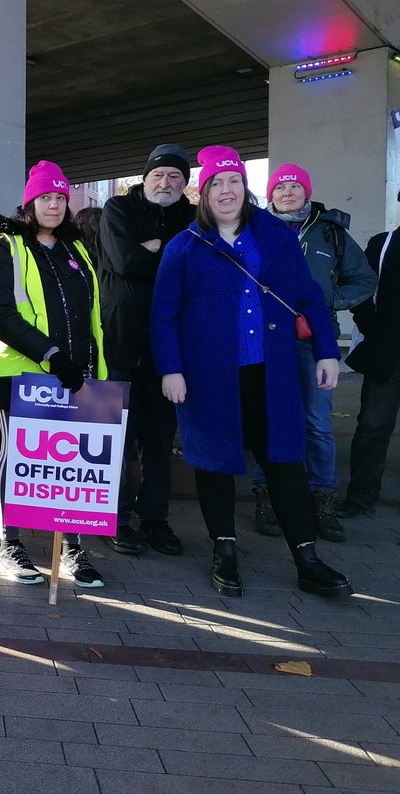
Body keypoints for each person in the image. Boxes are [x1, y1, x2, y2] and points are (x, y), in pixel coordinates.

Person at [151, 145, 351, 598]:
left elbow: (309, 296)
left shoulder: (275, 237)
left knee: (284, 462)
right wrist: (171, 369)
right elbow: (164, 314)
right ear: (203, 194)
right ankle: (224, 552)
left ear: (246, 188)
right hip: (208, 377)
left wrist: (326, 351)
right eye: (216, 183)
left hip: (270, 372)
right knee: (215, 465)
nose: (226, 190)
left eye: (234, 181)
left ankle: (307, 557)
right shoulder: (185, 246)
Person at [0, 160, 107, 589]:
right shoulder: (4, 245)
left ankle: (69, 547)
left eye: (60, 198)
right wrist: (51, 355)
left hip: (76, 375)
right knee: (19, 455)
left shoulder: (77, 250)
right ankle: (8, 544)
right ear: (28, 204)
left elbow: (92, 315)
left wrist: (88, 367)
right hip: (22, 373)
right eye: (45, 197)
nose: (54, 205)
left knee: (66, 463)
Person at [251, 164, 375, 541]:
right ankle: (267, 496)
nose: (287, 191)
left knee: (317, 423)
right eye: (280, 186)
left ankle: (322, 500)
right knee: (269, 418)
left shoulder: (331, 233)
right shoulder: (252, 230)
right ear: (270, 194)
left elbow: (365, 279)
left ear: (307, 192)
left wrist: (327, 301)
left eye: (295, 186)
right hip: (266, 340)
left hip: (312, 341)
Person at [98, 144, 195, 557]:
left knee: (159, 438)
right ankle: (116, 518)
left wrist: (156, 250)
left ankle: (155, 517)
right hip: (120, 342)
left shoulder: (192, 218)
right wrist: (161, 255)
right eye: (159, 175)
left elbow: (194, 269)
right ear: (145, 177)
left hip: (170, 350)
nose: (166, 182)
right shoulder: (118, 209)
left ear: (184, 185)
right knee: (117, 436)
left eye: (175, 177)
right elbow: (124, 260)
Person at [340, 188, 400, 519]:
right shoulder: (382, 244)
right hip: (387, 355)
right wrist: (375, 333)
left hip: (385, 351)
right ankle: (360, 497)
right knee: (372, 428)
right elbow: (360, 289)